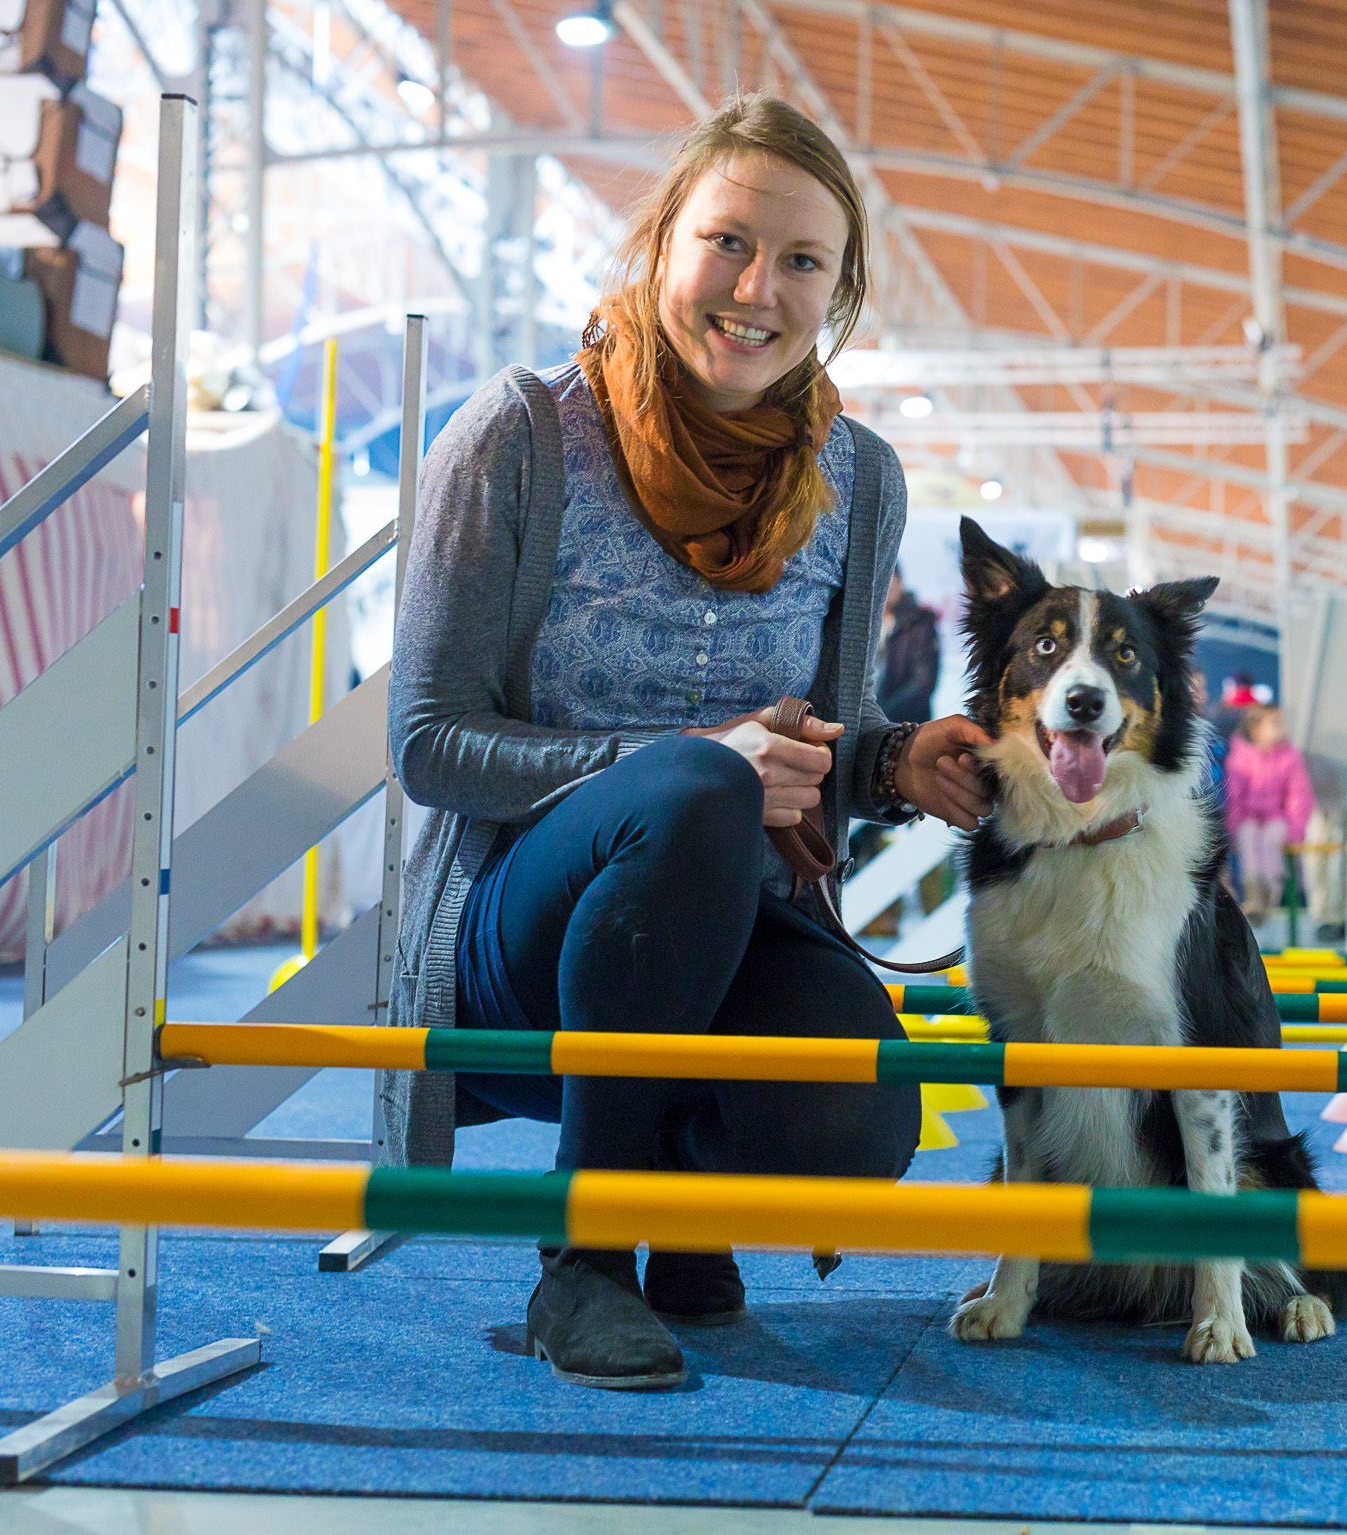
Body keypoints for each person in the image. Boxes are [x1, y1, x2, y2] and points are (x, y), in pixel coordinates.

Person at [385, 95, 993, 1392]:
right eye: (727, 242)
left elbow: (813, 748)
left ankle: (679, 1189)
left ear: (838, 290)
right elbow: (429, 744)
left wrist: (894, 764)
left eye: (801, 260)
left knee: (859, 1116)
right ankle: (586, 1258)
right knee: (696, 786)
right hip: (521, 938)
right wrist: (695, 756)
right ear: (661, 241)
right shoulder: (520, 435)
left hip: (733, 922)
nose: (756, 290)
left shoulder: (859, 477)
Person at [1223, 704, 1315, 922]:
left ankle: (1271, 894)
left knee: (1271, 840)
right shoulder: (1240, 757)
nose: (1281, 729)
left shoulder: (1289, 757)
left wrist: (1296, 829)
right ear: (1255, 729)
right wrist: (1233, 827)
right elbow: (1234, 796)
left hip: (1277, 818)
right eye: (1274, 724)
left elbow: (1298, 796)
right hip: (1249, 818)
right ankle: (1254, 895)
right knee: (1248, 837)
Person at [873, 566, 941, 725]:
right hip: (867, 717)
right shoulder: (861, 620)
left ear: (900, 583)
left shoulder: (919, 621)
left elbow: (922, 683)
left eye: (890, 584)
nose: (885, 591)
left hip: (906, 725)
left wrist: (879, 711)